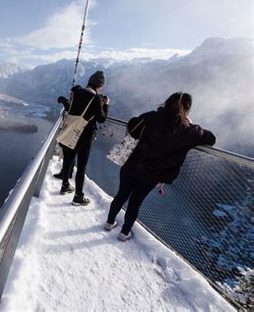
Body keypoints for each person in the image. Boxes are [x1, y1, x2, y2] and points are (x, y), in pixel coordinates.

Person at [105, 92, 216, 241]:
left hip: (132, 165)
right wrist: (189, 123)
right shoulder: (189, 131)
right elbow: (211, 139)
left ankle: (109, 222)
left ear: (166, 103)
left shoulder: (150, 117)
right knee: (135, 202)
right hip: (153, 174)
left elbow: (132, 125)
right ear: (187, 109)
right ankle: (124, 233)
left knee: (121, 195)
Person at [59, 71, 110, 206]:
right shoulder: (96, 98)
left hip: (71, 130)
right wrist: (106, 105)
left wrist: (64, 101)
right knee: (81, 167)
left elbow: (70, 108)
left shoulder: (77, 92)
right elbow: (101, 119)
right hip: (85, 136)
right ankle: (78, 196)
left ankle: (65, 185)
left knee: (68, 159)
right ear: (100, 85)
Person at [53, 96, 75, 180]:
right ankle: (68, 173)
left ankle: (65, 174)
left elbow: (69, 108)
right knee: (71, 155)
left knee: (68, 155)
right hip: (75, 132)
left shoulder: (78, 102)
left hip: (72, 132)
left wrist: (64, 101)